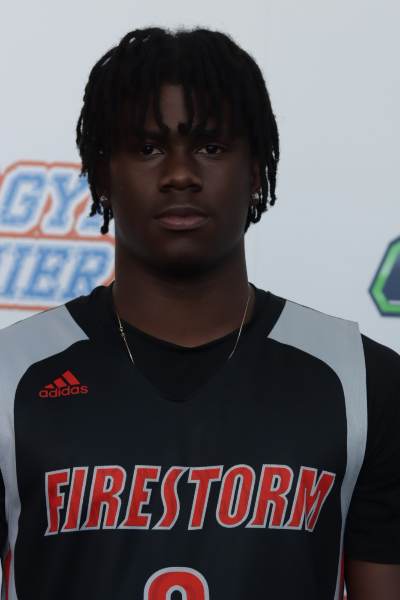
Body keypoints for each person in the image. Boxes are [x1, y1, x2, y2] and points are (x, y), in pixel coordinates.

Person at [0, 27, 399, 600]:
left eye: (211, 147)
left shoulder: (362, 381)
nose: (181, 174)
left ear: (256, 170)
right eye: (148, 148)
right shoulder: (11, 374)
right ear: (103, 175)